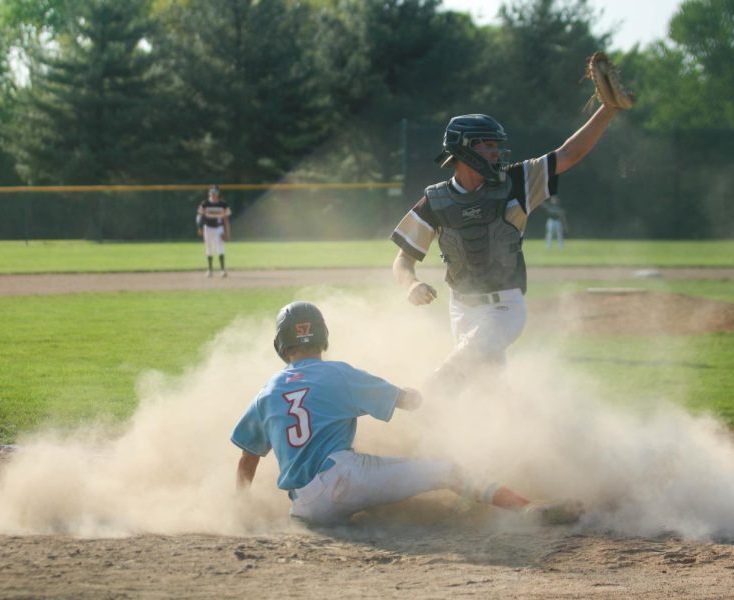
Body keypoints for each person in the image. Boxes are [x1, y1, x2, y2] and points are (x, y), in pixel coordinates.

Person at [230, 301, 582, 526]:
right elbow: (407, 401)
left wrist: (241, 508)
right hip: (346, 481)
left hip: (305, 509)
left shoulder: (267, 392)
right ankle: (526, 508)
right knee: (449, 471)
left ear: (281, 345)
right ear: (322, 338)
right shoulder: (338, 373)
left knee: (379, 491)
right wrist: (432, 393)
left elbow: (248, 461)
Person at [390, 105, 620, 393]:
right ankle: (511, 430)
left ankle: (427, 398)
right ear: (464, 149)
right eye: (488, 145)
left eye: (497, 145)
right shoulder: (435, 200)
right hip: (461, 308)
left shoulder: (517, 182)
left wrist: (607, 110)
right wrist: (411, 284)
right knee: (485, 385)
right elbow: (403, 259)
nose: (497, 152)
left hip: (505, 306)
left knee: (461, 364)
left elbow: (568, 154)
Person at [196, 184, 231, 277]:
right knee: (209, 248)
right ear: (209, 193)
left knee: (220, 248)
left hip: (219, 228)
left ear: (218, 193)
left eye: (215, 192)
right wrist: (200, 227)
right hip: (208, 228)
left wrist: (227, 232)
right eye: (211, 192)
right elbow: (200, 216)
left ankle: (223, 270)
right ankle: (210, 270)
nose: (213, 194)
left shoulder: (223, 205)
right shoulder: (204, 204)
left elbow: (226, 219)